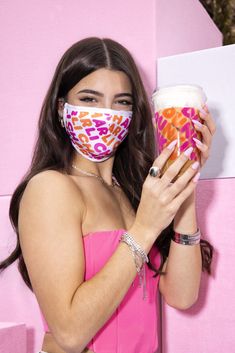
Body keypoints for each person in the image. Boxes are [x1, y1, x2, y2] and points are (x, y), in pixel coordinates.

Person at [0, 37, 215, 353]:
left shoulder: (133, 190)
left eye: (122, 102)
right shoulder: (51, 188)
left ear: (134, 113)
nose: (106, 113)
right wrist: (142, 230)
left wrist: (184, 185)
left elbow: (182, 295)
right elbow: (71, 333)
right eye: (89, 98)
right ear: (62, 108)